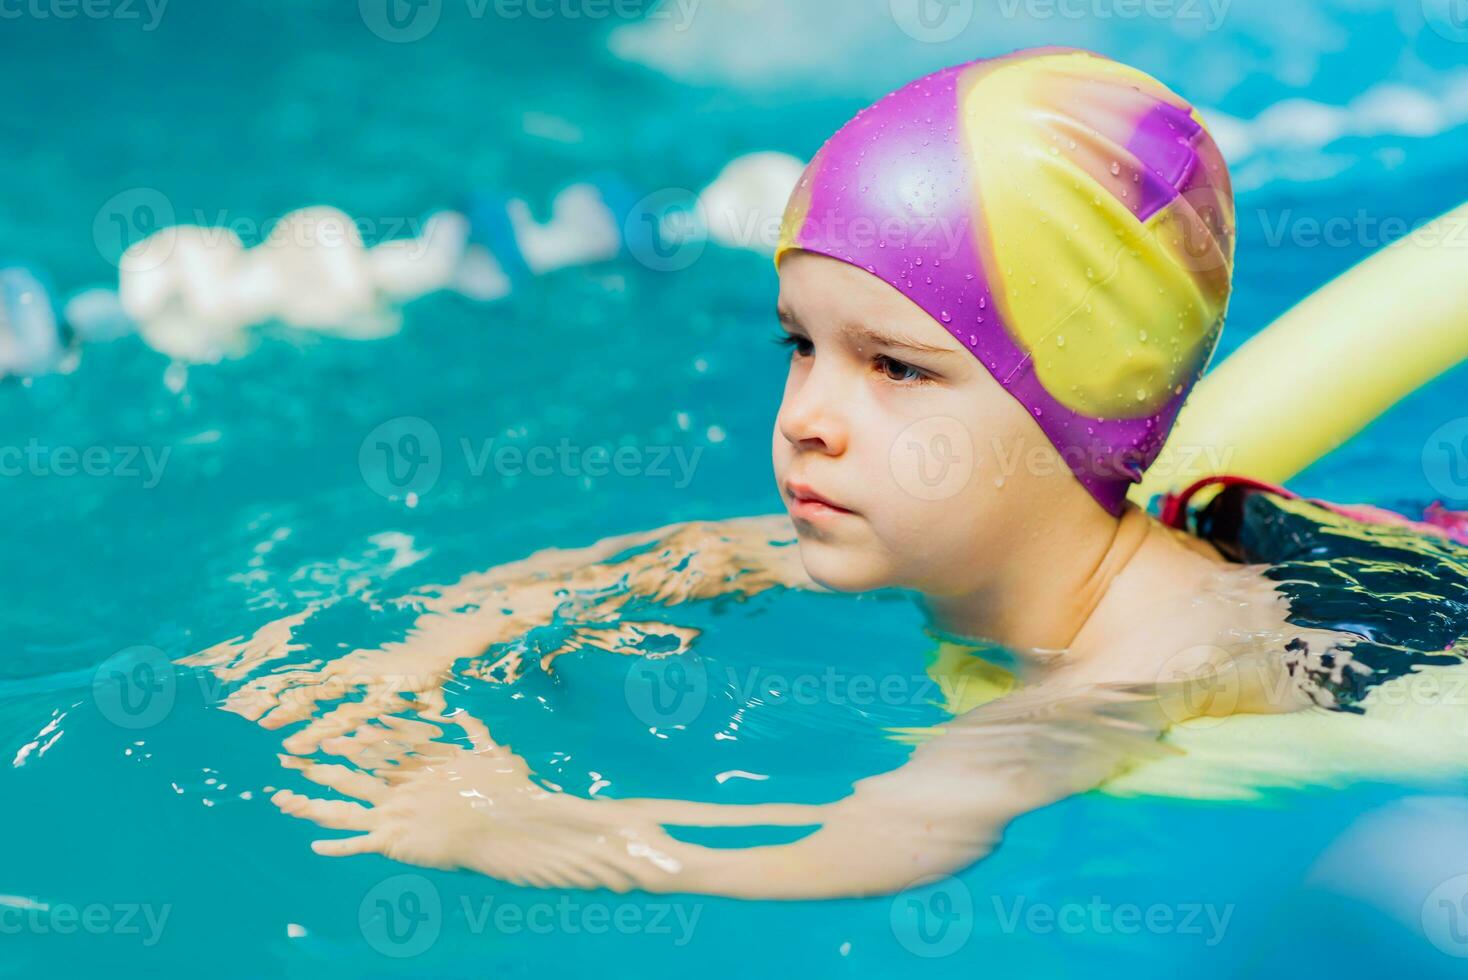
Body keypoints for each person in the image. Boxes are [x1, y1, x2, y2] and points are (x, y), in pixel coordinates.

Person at [192, 47, 1466, 899]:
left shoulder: (1134, 664)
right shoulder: (938, 526)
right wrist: (401, 657)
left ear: (1062, 408)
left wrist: (518, 824)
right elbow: (660, 561)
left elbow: (877, 837)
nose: (808, 419)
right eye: (801, 346)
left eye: (896, 369)